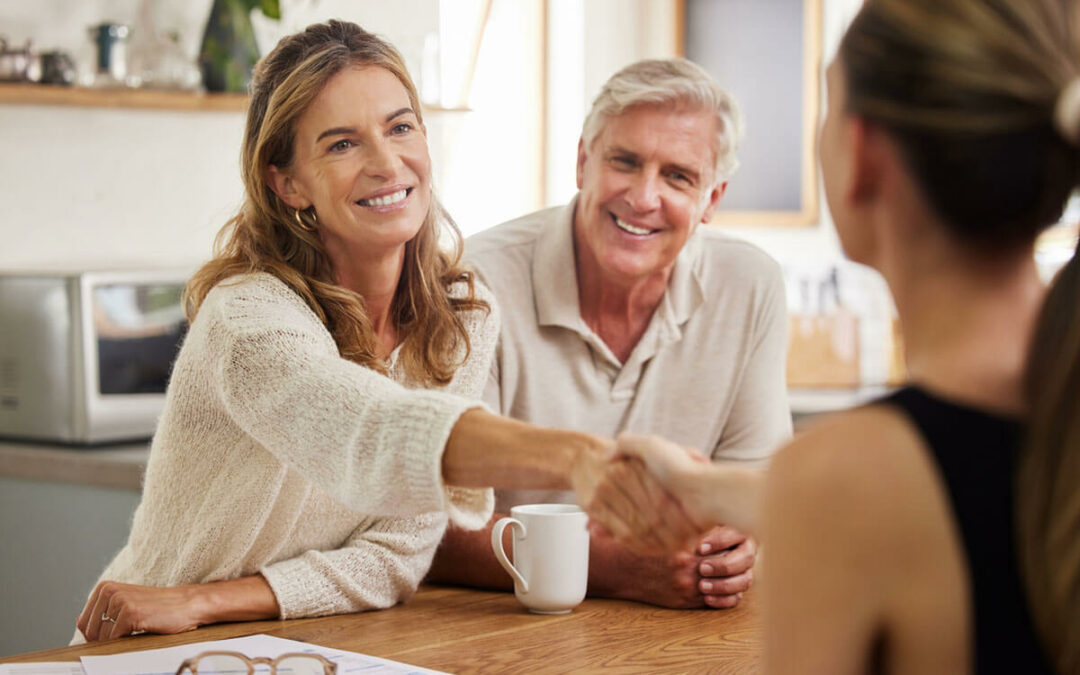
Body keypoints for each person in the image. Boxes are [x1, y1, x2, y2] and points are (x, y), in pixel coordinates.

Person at [74, 20, 613, 644]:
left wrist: (207, 600)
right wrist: (583, 458)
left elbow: (398, 552)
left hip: (284, 641)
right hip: (149, 643)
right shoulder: (249, 319)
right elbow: (366, 429)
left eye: (400, 127)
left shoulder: (461, 318)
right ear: (287, 182)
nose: (388, 164)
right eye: (342, 144)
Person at [594, 0, 1080, 672]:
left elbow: (861, 504)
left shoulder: (844, 478)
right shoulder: (1056, 399)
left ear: (862, 155)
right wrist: (700, 490)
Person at [426, 58, 792, 610]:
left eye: (678, 176)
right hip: (504, 633)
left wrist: (737, 544)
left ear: (711, 200)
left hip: (686, 638)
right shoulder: (471, 280)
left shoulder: (752, 284)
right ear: (582, 162)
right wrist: (613, 569)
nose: (644, 198)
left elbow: (761, 495)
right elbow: (427, 524)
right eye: (625, 161)